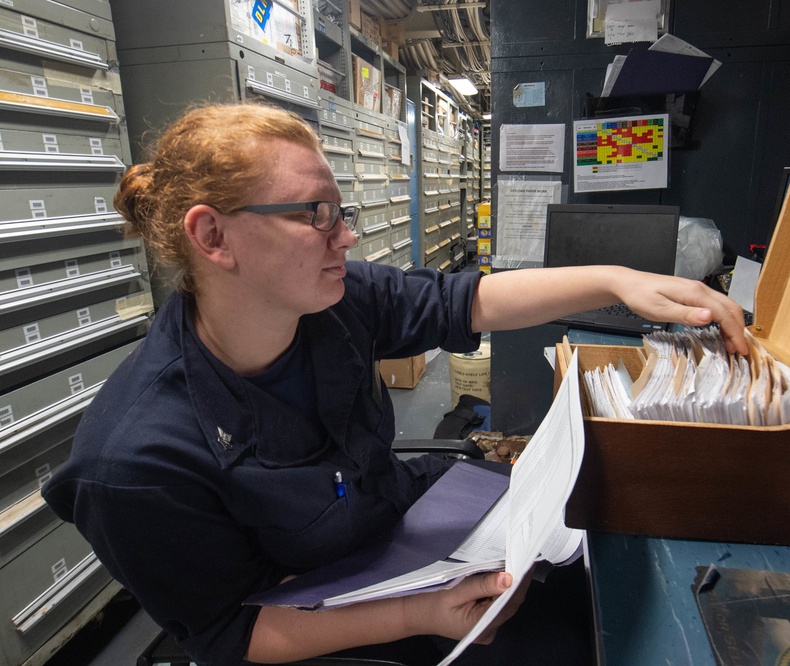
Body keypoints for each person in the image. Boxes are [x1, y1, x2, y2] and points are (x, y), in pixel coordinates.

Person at [42, 102, 748, 665]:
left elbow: (466, 302)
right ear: (213, 238)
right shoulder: (133, 461)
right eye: (313, 213)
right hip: (341, 617)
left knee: (590, 584)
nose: (344, 237)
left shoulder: (332, 303)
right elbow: (229, 634)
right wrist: (418, 615)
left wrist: (617, 280)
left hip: (397, 532)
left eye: (341, 212)